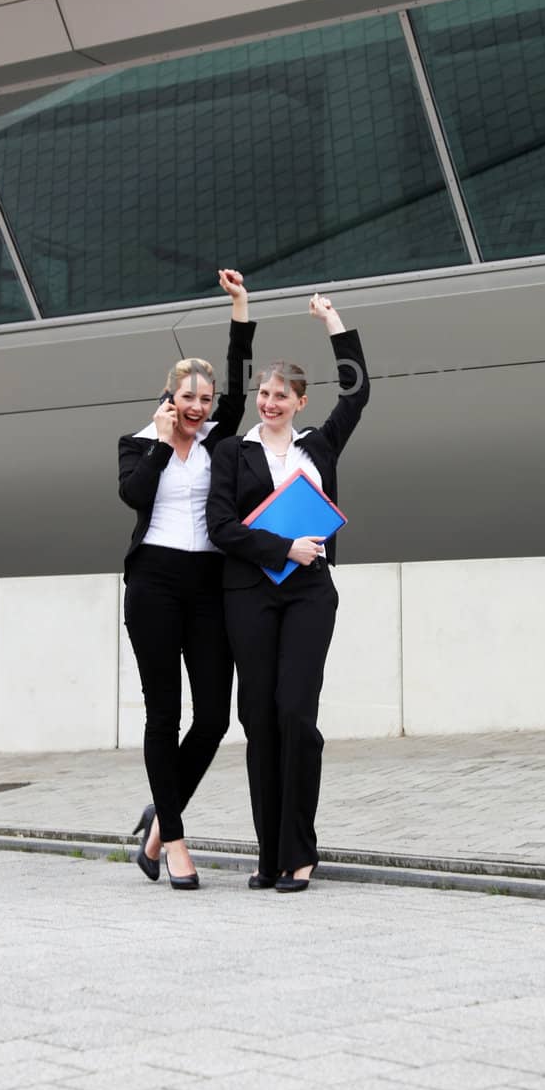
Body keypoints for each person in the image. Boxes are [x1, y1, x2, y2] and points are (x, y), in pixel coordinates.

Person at [206, 293, 369, 893]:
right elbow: (220, 528)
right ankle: (269, 854)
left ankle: (301, 850)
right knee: (259, 720)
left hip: (308, 595)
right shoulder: (233, 452)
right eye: (264, 394)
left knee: (296, 715)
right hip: (248, 594)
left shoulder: (318, 448)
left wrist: (334, 324)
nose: (270, 403)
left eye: (282, 396)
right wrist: (282, 548)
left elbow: (358, 394)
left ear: (300, 402)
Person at [118, 268, 254, 891]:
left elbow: (242, 376)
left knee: (213, 719)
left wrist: (240, 307)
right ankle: (173, 841)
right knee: (162, 715)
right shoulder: (139, 443)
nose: (199, 408)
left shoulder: (218, 441)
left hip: (206, 583)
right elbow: (132, 497)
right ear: (169, 397)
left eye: (206, 399)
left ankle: (155, 824)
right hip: (153, 583)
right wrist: (162, 442)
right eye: (188, 399)